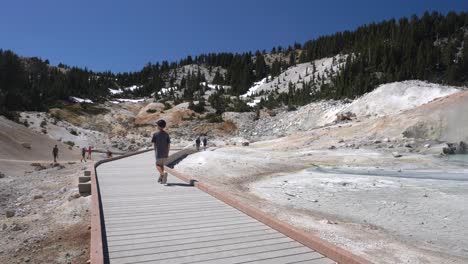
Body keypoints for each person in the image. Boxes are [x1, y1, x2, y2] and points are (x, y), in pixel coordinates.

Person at [151, 120, 171, 184]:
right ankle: (162, 178)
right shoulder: (166, 134)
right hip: (165, 153)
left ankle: (162, 174)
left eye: (157, 125)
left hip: (159, 153)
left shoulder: (155, 134)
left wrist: (155, 151)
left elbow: (154, 144)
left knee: (157, 165)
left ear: (159, 126)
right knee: (162, 165)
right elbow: (168, 145)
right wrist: (167, 153)